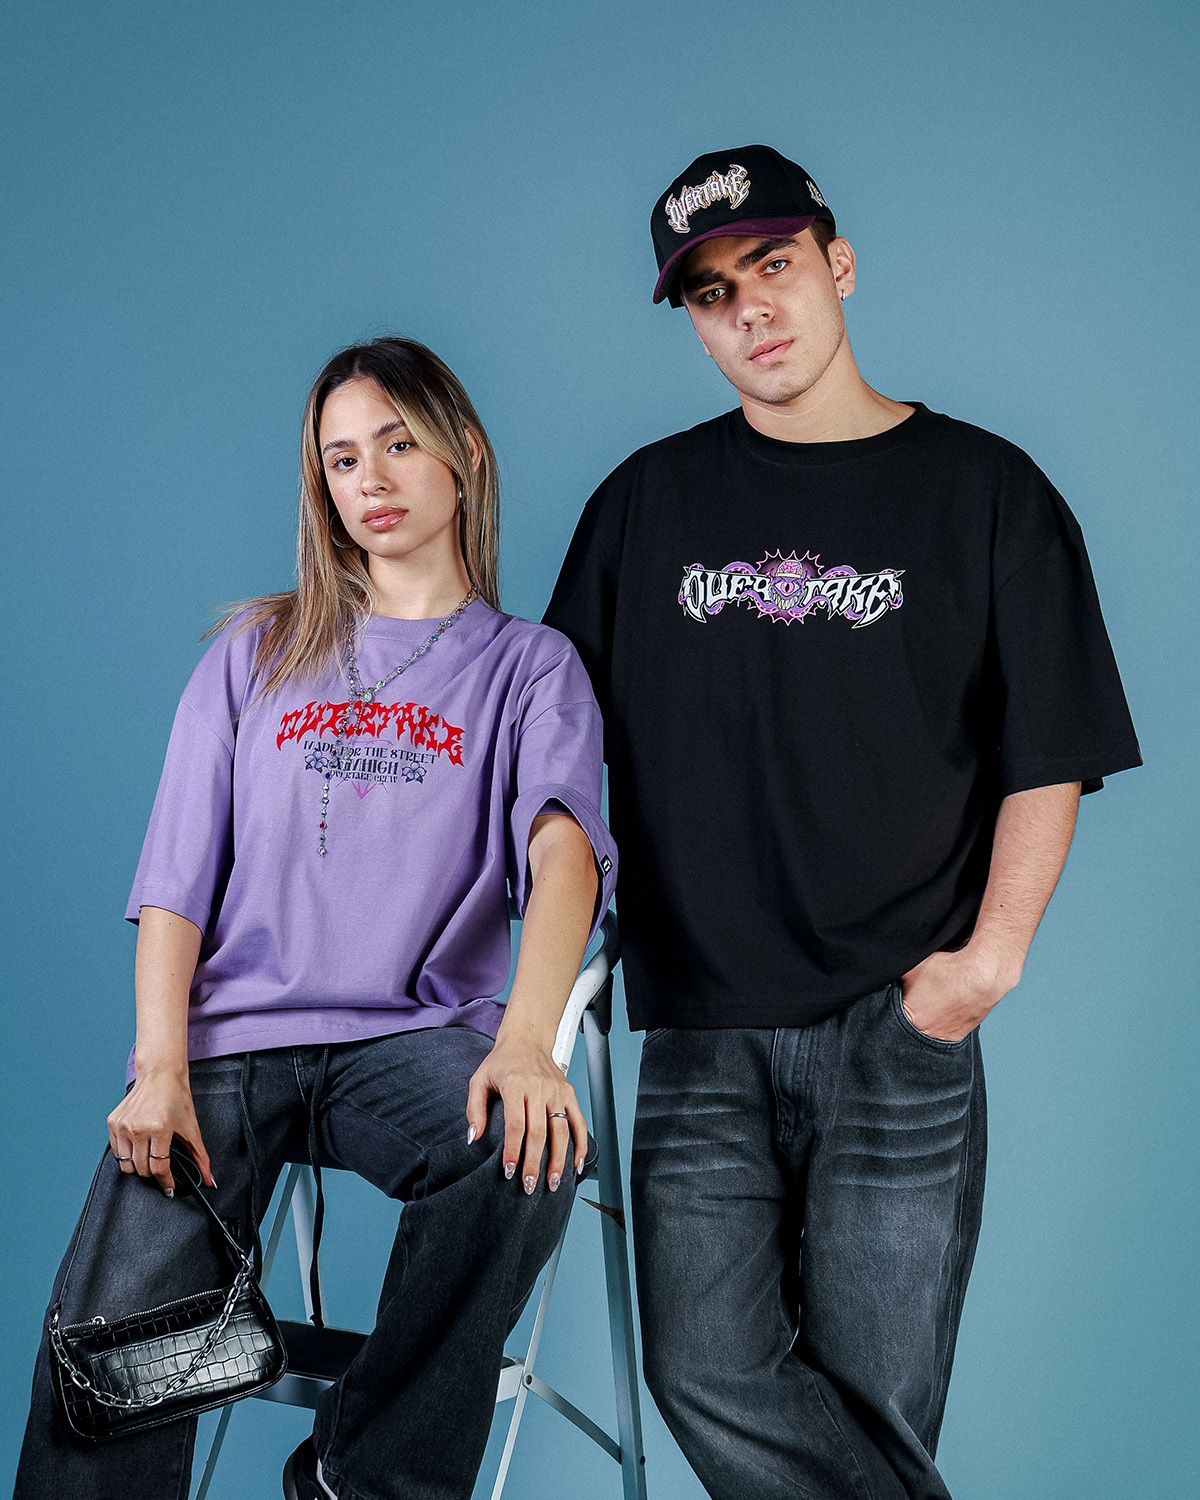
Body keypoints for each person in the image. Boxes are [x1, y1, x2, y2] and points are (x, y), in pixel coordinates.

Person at [544, 144, 1141, 1500]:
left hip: (898, 1026)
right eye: (711, 293)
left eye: (772, 264)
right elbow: (553, 767)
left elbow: (1049, 750)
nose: (750, 309)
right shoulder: (643, 505)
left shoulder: (987, 491)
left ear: (839, 264)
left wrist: (984, 968)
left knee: (877, 1403)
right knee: (704, 1371)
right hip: (700, 1030)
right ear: (694, 325)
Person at [16, 336, 617, 1500]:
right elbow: (175, 879)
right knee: (107, 1353)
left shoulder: (531, 668)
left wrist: (526, 1044)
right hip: (230, 1044)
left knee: (525, 1150)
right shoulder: (256, 648)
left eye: (397, 444)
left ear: (464, 453)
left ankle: (362, 1478)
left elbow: (564, 857)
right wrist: (158, 1068)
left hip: (411, 1042)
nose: (371, 480)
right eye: (343, 460)